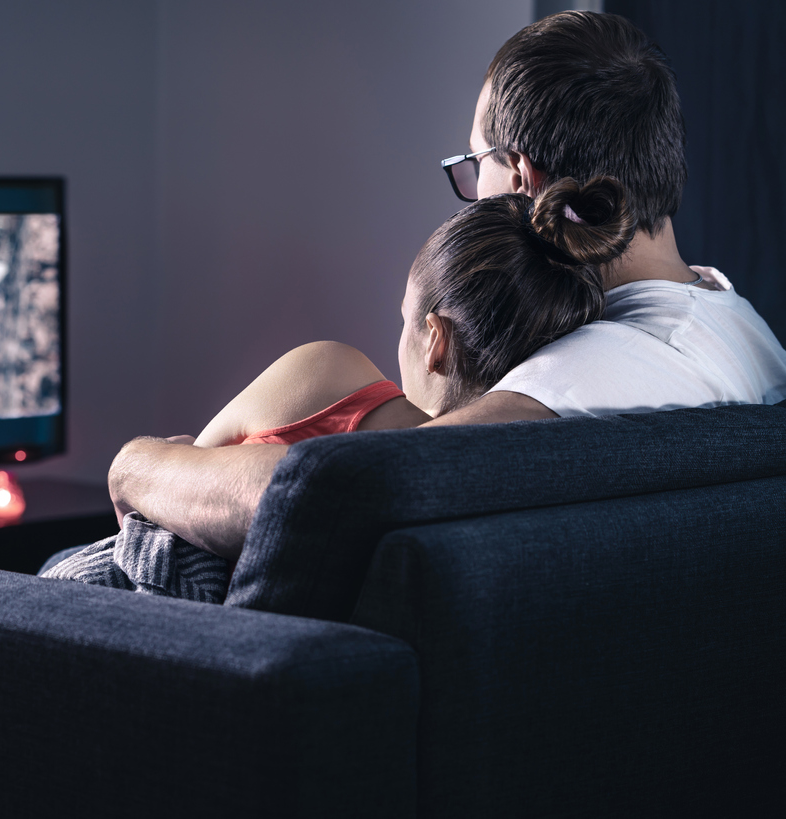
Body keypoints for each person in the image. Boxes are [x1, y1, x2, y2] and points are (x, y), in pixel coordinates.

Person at [105, 11, 786, 562]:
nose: (471, 196)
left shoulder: (591, 375)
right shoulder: (743, 332)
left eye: (474, 165)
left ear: (519, 174)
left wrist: (137, 465)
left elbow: (330, 494)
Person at [45, 176, 632, 595]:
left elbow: (157, 503)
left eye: (403, 320)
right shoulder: (535, 474)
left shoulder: (331, 375)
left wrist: (141, 460)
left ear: (436, 339)